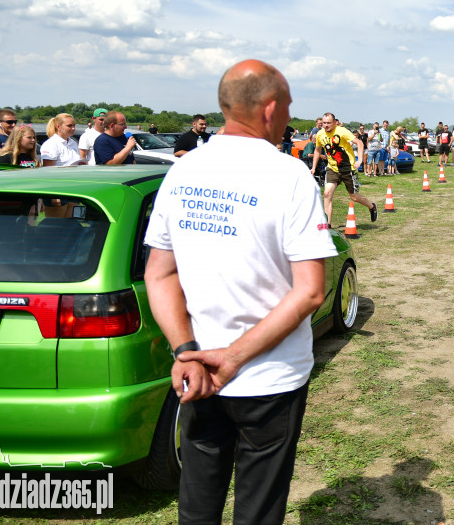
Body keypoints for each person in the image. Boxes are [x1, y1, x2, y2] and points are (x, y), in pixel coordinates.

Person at [144, 59, 336, 525]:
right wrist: (231, 358)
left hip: (198, 373)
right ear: (270, 110)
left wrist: (188, 352)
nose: (292, 116)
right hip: (267, 378)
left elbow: (159, 274)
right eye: (288, 106)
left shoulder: (182, 171)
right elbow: (311, 292)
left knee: (198, 499)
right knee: (259, 507)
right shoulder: (290, 176)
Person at [311, 112, 377, 226]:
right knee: (327, 194)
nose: (326, 125)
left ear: (335, 122)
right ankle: (328, 225)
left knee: (354, 197)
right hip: (332, 168)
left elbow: (359, 143)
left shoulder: (342, 132)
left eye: (328, 123)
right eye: (324, 123)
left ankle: (372, 206)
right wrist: (313, 168)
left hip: (348, 169)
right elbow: (317, 150)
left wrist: (360, 159)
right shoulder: (320, 134)